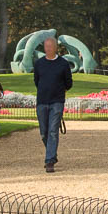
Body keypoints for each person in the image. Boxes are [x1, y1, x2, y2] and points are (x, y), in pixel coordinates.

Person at [31, 35, 72, 173]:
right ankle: (52, 153)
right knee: (44, 132)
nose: (47, 49)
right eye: (46, 47)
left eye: (50, 46)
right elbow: (37, 81)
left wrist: (59, 91)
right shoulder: (39, 63)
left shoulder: (63, 64)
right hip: (42, 101)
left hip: (57, 102)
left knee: (53, 131)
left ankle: (49, 161)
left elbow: (69, 83)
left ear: (55, 48)